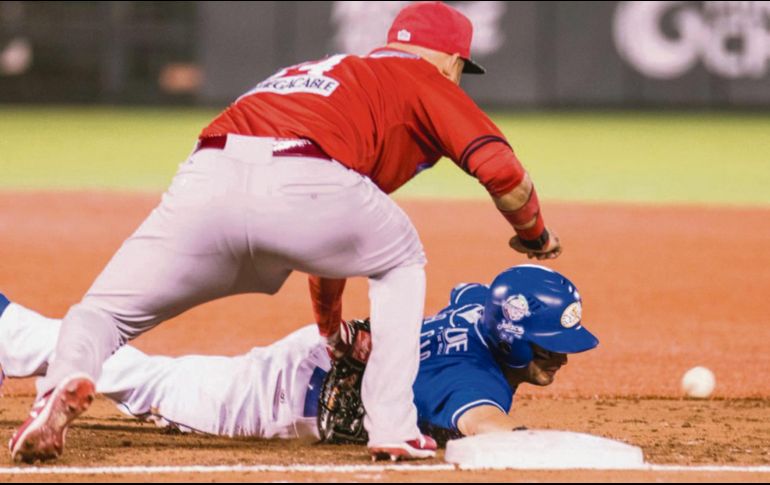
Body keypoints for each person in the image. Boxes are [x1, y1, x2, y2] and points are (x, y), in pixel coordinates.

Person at [10, 1, 561, 463]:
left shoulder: (320, 72)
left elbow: (338, 240)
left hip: (208, 175)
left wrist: (332, 331)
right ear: (452, 60)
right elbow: (502, 172)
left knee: (103, 313)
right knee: (401, 259)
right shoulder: (423, 79)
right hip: (306, 179)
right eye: (461, 68)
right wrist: (534, 235)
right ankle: (392, 425)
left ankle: (62, 382)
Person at [1, 266, 594, 459]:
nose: (562, 358)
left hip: (320, 363)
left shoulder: (476, 307)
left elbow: (470, 290)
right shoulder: (469, 381)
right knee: (148, 381)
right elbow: (496, 434)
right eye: (549, 345)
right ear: (509, 337)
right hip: (281, 397)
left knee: (150, 374)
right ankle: (8, 329)